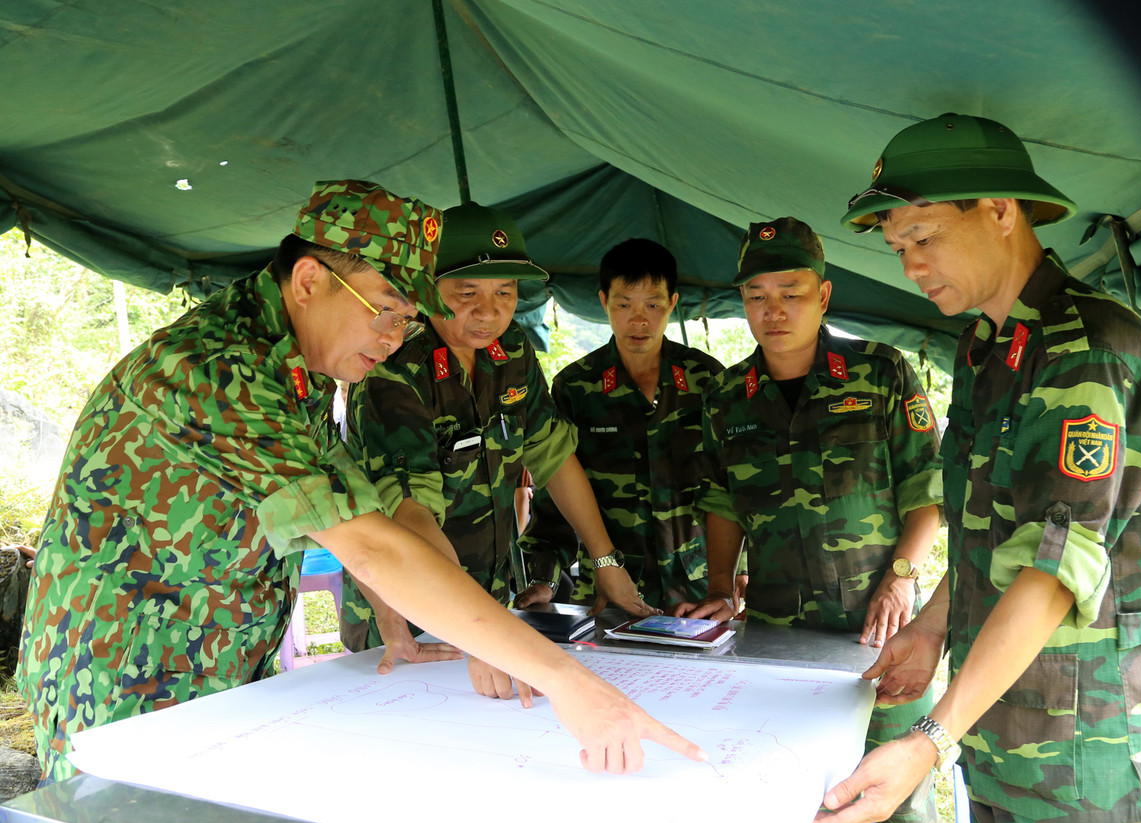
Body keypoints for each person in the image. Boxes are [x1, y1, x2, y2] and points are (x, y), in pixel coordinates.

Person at [18, 180, 703, 783]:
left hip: (223, 660)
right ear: (311, 279)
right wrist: (565, 680)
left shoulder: (304, 364)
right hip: (125, 676)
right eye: (384, 308)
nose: (394, 335)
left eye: (408, 316)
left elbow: (371, 509)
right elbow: (372, 541)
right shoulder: (216, 369)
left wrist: (388, 609)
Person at [812, 113, 1141, 823]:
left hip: (1086, 749)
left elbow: (1056, 566)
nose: (911, 268)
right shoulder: (988, 347)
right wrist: (930, 627)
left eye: (923, 239)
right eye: (898, 249)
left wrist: (928, 738)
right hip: (1005, 728)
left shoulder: (1086, 346)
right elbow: (994, 532)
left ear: (999, 210)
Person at [681, 217, 945, 823]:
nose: (774, 311)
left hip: (881, 633)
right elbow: (721, 500)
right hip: (781, 640)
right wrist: (722, 586)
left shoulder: (879, 372)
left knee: (900, 806)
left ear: (824, 296)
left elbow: (927, 488)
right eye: (757, 296)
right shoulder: (726, 397)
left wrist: (903, 578)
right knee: (809, 805)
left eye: (791, 292)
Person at [340, 202, 657, 703]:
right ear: (427, 289)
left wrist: (605, 561)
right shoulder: (393, 368)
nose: (489, 312)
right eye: (467, 294)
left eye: (505, 293)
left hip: (489, 610)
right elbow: (409, 513)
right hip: (410, 621)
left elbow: (554, 457)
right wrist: (477, 630)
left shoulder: (511, 353)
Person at [518, 238, 727, 612]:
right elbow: (555, 494)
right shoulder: (577, 386)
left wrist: (735, 575)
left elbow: (730, 484)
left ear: (673, 304)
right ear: (603, 302)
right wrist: (544, 577)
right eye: (624, 304)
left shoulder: (707, 380)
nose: (639, 320)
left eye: (653, 305)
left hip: (698, 590)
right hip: (608, 589)